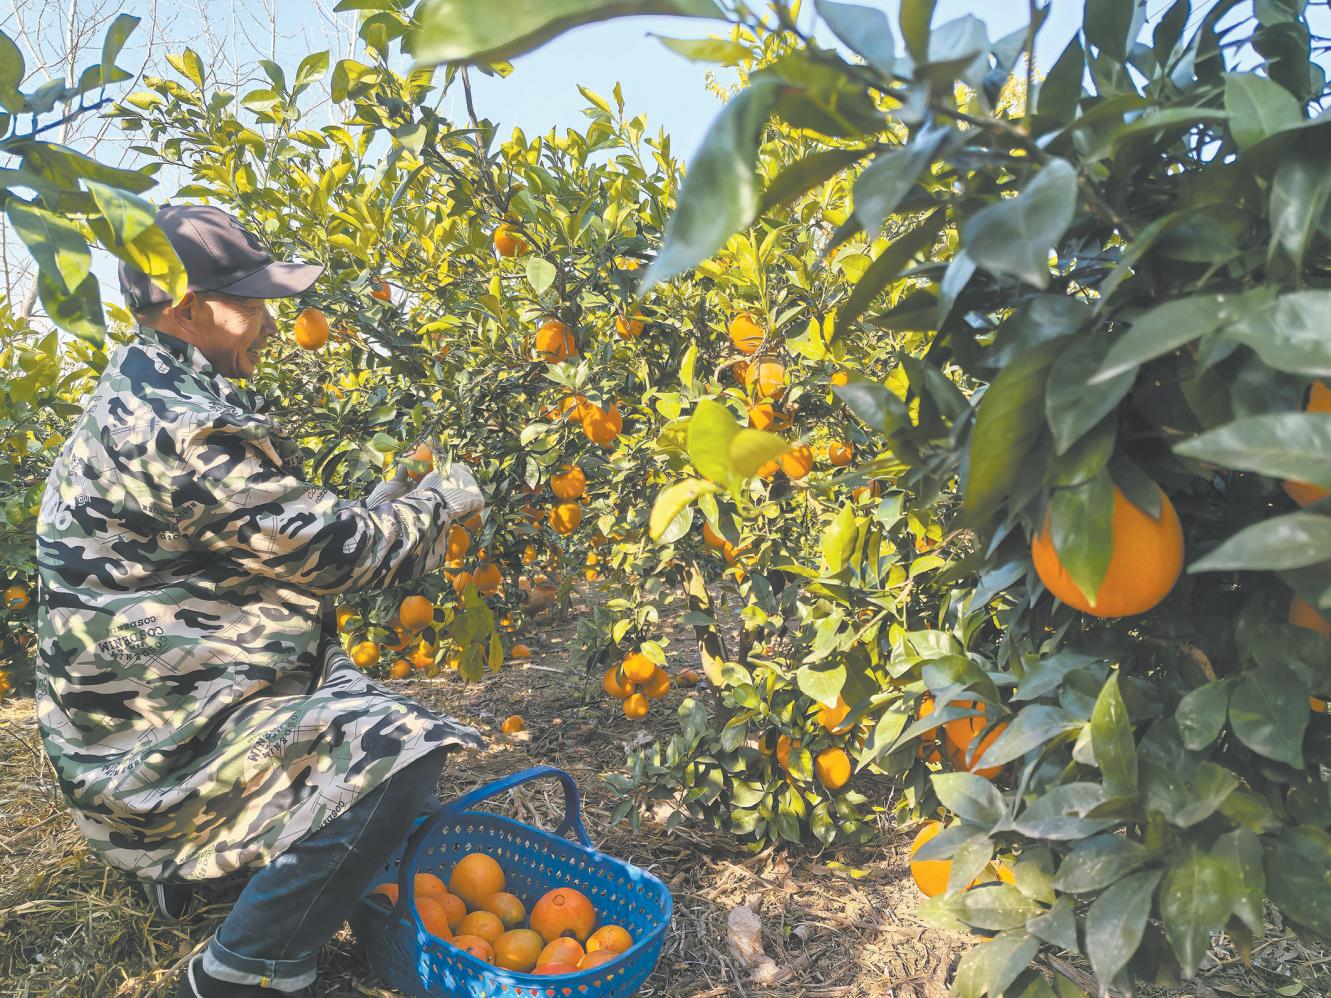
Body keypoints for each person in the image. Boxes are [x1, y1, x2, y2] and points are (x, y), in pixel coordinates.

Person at [32, 204, 485, 996]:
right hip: (151, 739)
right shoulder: (182, 426)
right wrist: (439, 505)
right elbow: (334, 554)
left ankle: (191, 876)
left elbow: (262, 532)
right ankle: (244, 970)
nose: (271, 322)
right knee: (397, 750)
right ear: (187, 310)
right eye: (252, 303)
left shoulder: (148, 385)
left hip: (142, 704)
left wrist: (379, 506)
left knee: (344, 694)